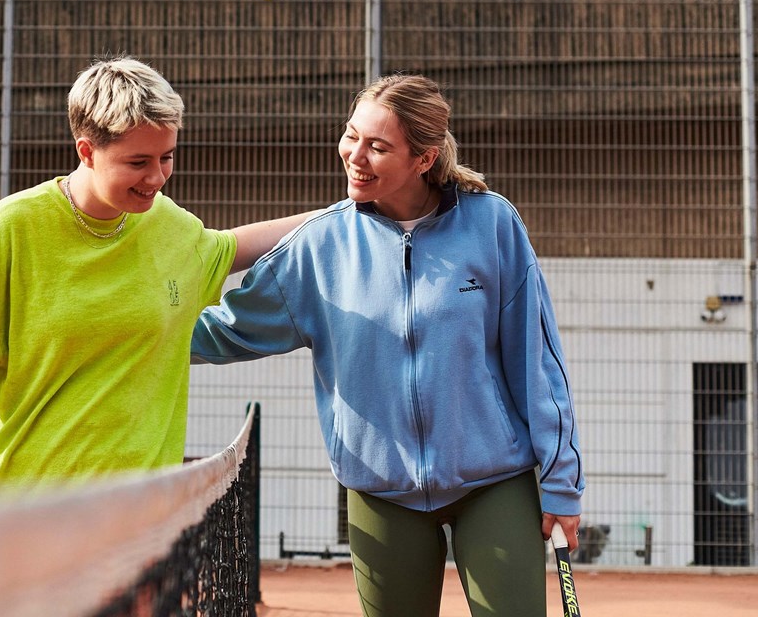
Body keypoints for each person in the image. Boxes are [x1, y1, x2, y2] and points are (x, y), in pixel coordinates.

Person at [191, 73, 584, 617]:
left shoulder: (492, 223)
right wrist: (128, 340)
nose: (356, 155)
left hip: (494, 481)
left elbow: (536, 362)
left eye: (378, 146)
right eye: (352, 136)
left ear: (423, 159)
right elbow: (224, 329)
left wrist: (562, 482)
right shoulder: (321, 245)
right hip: (380, 493)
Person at [0, 56, 311, 531]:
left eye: (167, 157)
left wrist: (345, 214)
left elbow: (235, 246)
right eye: (138, 162)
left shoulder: (172, 226)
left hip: (138, 520)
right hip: (20, 519)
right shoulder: (8, 232)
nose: (157, 177)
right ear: (86, 151)